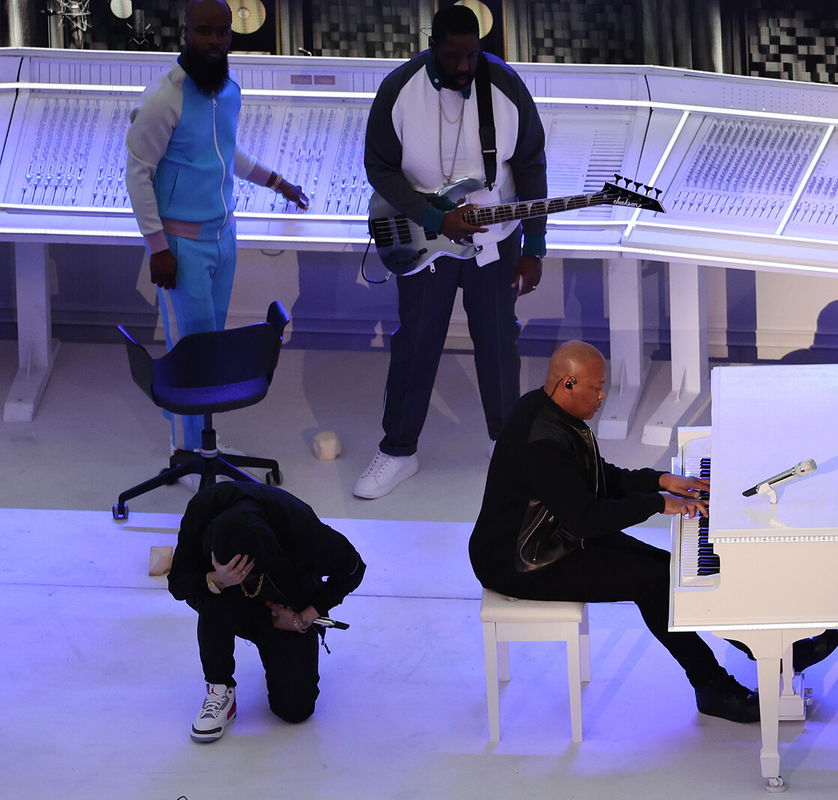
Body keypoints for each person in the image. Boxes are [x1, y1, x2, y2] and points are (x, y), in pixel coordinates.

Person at [469, 341, 762, 723]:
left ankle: (759, 646)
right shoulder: (542, 440)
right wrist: (657, 502)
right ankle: (714, 687)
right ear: (569, 383)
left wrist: (659, 480)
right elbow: (587, 519)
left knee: (667, 568)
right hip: (521, 560)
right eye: (596, 387)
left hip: (550, 535)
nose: (603, 396)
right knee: (654, 582)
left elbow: (594, 478)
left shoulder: (546, 409)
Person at [356, 4, 547, 499]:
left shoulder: (505, 86)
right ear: (432, 44)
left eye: (472, 54)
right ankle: (398, 451)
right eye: (453, 55)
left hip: (495, 241)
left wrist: (536, 246)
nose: (465, 66)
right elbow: (379, 167)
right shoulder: (399, 89)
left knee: (500, 345)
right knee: (416, 344)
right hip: (427, 241)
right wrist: (436, 219)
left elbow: (530, 167)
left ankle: (504, 449)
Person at [125, 0, 308, 457]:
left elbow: (226, 153)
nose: (213, 42)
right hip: (180, 247)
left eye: (221, 33)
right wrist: (158, 248)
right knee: (190, 347)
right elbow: (137, 172)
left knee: (210, 341)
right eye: (203, 32)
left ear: (231, 34)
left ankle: (201, 438)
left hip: (223, 237)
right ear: (186, 32)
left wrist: (277, 181)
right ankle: (188, 452)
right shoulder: (164, 98)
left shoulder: (227, 91)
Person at [167, 482, 365, 742]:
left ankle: (278, 645)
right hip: (228, 600)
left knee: (295, 710)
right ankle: (219, 688)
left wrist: (303, 617)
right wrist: (218, 578)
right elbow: (178, 584)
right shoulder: (202, 512)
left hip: (286, 608)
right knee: (210, 596)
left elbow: (353, 568)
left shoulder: (300, 527)